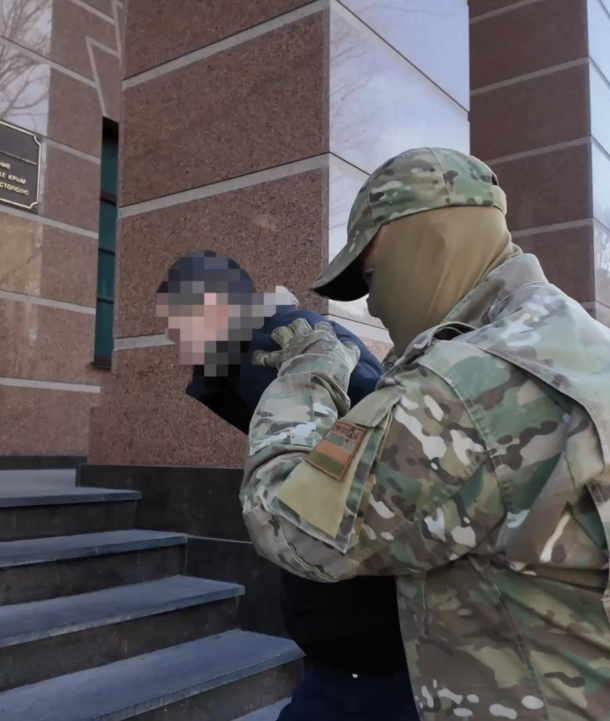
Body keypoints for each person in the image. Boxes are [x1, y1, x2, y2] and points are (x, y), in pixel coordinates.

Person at [241, 147, 610, 719]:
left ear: (424, 243)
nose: (373, 305)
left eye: (372, 277)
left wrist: (310, 370)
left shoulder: (476, 381)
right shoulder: (564, 340)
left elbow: (287, 523)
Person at [155, 252, 419, 721]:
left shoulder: (272, 352)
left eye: (176, 330)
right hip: (363, 642)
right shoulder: (277, 342)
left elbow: (312, 498)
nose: (175, 350)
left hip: (364, 654)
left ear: (212, 308)